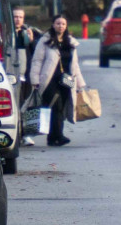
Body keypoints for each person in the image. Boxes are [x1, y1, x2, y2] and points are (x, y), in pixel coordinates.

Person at [24, 14, 86, 146]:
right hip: (49, 81)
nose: (61, 26)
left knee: (62, 107)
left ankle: (53, 138)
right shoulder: (45, 41)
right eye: (58, 23)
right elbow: (37, 61)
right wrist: (34, 79)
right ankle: (58, 135)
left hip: (66, 80)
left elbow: (75, 65)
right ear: (53, 25)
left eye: (63, 24)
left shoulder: (70, 42)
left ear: (66, 26)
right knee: (55, 106)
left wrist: (80, 83)